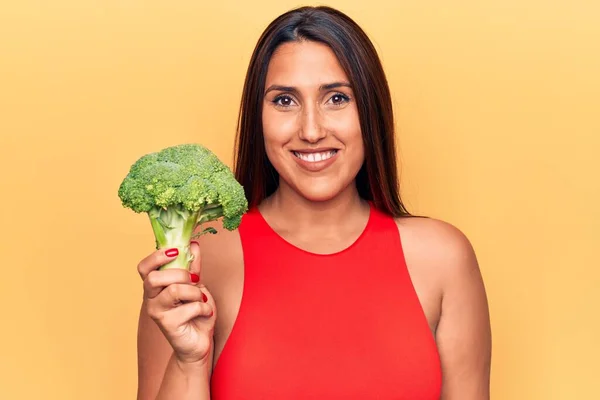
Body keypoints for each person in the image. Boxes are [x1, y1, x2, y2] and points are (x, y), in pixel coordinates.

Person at [135, 5, 492, 400]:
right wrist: (189, 361)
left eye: (337, 97)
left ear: (370, 110)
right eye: (285, 101)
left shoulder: (443, 259)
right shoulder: (197, 261)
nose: (311, 130)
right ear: (258, 117)